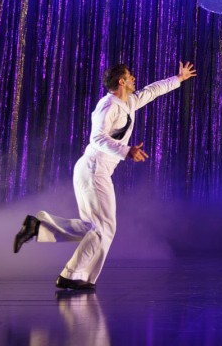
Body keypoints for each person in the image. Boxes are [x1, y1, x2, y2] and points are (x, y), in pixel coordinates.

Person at [13, 61, 196, 290]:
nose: (134, 78)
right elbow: (97, 138)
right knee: (104, 228)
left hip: (95, 170)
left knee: (93, 227)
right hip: (94, 169)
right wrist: (127, 150)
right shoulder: (108, 106)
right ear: (121, 81)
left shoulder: (128, 102)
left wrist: (178, 79)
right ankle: (70, 275)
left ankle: (37, 228)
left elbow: (152, 91)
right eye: (130, 76)